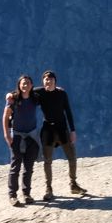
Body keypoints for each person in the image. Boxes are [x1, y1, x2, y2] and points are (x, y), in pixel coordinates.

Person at [36, 69, 87, 199]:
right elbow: (24, 91)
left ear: (55, 81)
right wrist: (11, 95)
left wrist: (73, 130)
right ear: (43, 81)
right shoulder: (39, 93)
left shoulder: (62, 94)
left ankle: (73, 184)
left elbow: (68, 112)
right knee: (47, 161)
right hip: (48, 130)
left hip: (62, 129)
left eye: (51, 79)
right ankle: (49, 189)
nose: (48, 81)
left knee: (72, 157)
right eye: (46, 79)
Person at [2, 75, 43, 207]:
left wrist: (56, 88)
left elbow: (46, 90)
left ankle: (26, 194)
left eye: (28, 83)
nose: (25, 85)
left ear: (31, 85)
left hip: (31, 136)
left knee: (29, 167)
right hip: (18, 137)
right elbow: (6, 116)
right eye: (23, 83)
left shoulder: (35, 98)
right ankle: (12, 195)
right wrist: (7, 135)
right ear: (19, 85)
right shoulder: (14, 99)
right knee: (16, 167)